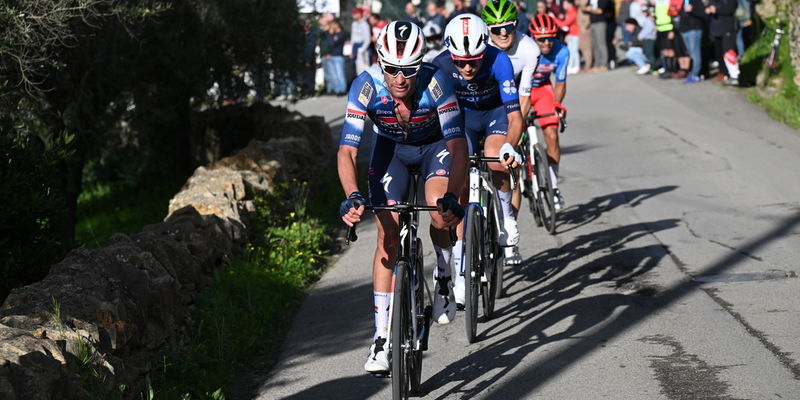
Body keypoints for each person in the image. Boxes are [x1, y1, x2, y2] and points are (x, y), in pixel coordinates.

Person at [338, 21, 468, 373]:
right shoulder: (365, 86)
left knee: (440, 214)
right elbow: (348, 151)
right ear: (380, 62)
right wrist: (351, 196)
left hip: (434, 147)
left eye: (409, 70)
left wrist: (454, 196)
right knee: (387, 234)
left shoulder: (437, 81)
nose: (400, 78)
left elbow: (457, 146)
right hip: (391, 151)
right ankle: (381, 338)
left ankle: (444, 275)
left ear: (419, 64)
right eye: (392, 69)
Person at [432, 14, 523, 306]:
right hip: (463, 119)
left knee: (495, 158)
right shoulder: (439, 65)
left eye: (474, 61)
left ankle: (507, 219)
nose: (468, 67)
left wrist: (510, 146)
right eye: (461, 62)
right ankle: (460, 264)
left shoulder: (499, 60)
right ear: (450, 55)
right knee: (456, 179)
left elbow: (515, 117)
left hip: (495, 113)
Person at [482, 0, 540, 266]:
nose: (503, 33)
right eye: (496, 29)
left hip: (514, 105)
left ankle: (509, 227)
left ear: (515, 24)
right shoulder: (482, 45)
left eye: (508, 27)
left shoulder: (529, 49)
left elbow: (525, 96)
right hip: (485, 106)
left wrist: (517, 133)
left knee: (509, 165)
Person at [528, 14, 569, 210]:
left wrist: (558, 104)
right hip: (522, 91)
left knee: (552, 135)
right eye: (541, 39)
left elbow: (560, 83)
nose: (546, 43)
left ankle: (553, 186)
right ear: (533, 37)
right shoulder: (525, 49)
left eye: (550, 38)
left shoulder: (562, 51)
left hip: (543, 89)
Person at [707, 0, 740, 86]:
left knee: (729, 52)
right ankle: (727, 74)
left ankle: (734, 76)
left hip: (728, 27)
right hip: (718, 29)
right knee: (722, 53)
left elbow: (731, 8)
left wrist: (716, 10)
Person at [679, 0, 707, 83]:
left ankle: (695, 74)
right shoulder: (685, 1)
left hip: (694, 30)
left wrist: (693, 10)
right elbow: (682, 15)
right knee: (691, 53)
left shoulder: (696, 1)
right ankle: (698, 73)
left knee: (695, 53)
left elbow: (703, 13)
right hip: (685, 30)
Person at [556, 0, 581, 74]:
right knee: (570, 51)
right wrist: (567, 35)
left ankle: (577, 66)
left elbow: (564, 24)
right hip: (570, 34)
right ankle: (570, 66)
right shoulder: (568, 12)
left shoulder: (573, 12)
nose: (563, 5)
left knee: (574, 51)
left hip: (575, 34)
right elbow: (567, 26)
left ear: (569, 4)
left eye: (565, 3)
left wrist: (554, 18)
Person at [351, 8, 372, 76]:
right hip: (355, 47)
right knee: (357, 69)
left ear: (360, 14)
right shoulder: (354, 23)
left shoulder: (365, 24)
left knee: (364, 69)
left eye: (355, 13)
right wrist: (352, 50)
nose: (353, 15)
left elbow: (367, 39)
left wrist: (362, 50)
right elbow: (353, 37)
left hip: (363, 48)